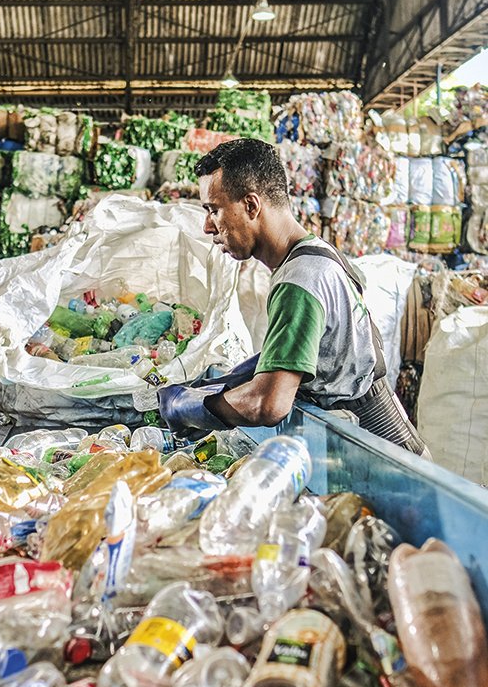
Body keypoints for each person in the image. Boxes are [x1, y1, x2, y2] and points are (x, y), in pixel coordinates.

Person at [158, 138, 426, 455]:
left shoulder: (299, 281)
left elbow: (268, 404)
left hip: (384, 461)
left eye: (213, 210)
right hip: (391, 448)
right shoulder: (317, 254)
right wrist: (231, 381)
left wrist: (190, 407)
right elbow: (321, 351)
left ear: (251, 205)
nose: (207, 226)